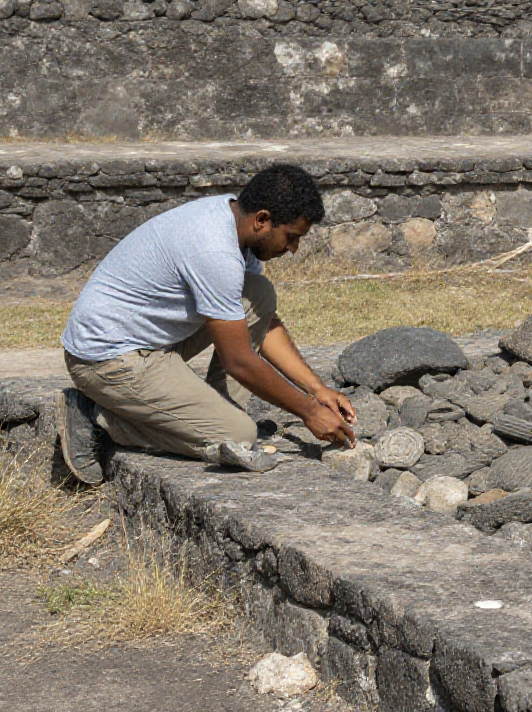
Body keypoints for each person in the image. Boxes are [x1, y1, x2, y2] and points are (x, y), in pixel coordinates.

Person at [56, 164, 357, 483]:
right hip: (106, 361)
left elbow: (262, 323)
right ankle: (95, 414)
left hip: (149, 345)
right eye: (291, 237)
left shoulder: (234, 222)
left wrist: (316, 388)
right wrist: (309, 411)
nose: (293, 249)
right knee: (238, 436)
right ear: (263, 220)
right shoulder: (214, 250)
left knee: (258, 295)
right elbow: (239, 361)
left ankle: (211, 412)